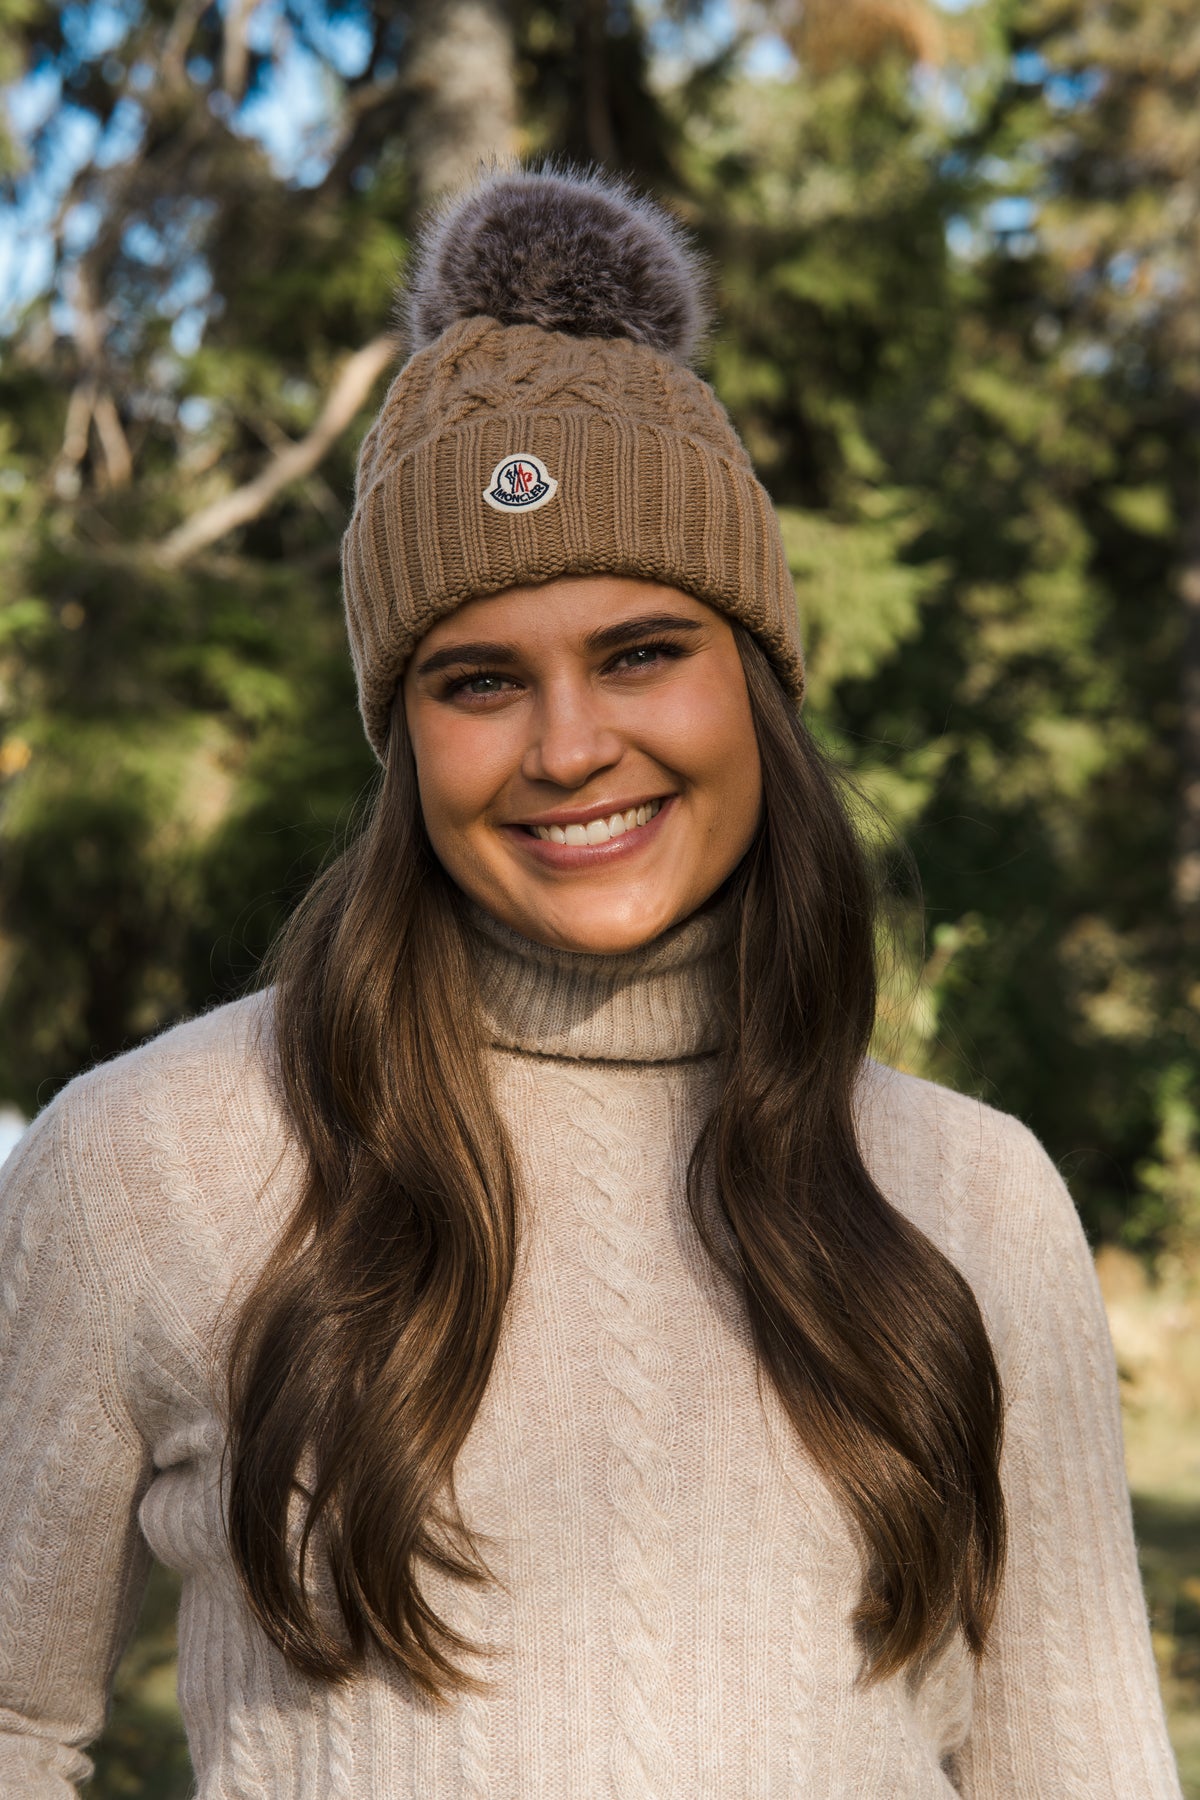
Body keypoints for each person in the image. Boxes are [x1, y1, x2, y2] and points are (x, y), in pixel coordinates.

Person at [0, 165, 1181, 1799]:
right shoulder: (147, 1162)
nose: (569, 748)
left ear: (755, 680)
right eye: (479, 680)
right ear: (403, 737)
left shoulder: (974, 1200)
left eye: (641, 653)